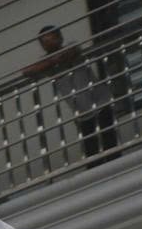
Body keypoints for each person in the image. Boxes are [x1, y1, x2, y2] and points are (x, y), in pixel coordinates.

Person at [24, 24, 114, 162]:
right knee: (92, 154)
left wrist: (52, 62)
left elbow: (69, 53)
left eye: (52, 39)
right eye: (45, 42)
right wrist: (52, 62)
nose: (49, 44)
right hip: (82, 114)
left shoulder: (71, 46)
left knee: (110, 145)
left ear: (60, 38)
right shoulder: (46, 63)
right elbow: (28, 71)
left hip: (101, 103)